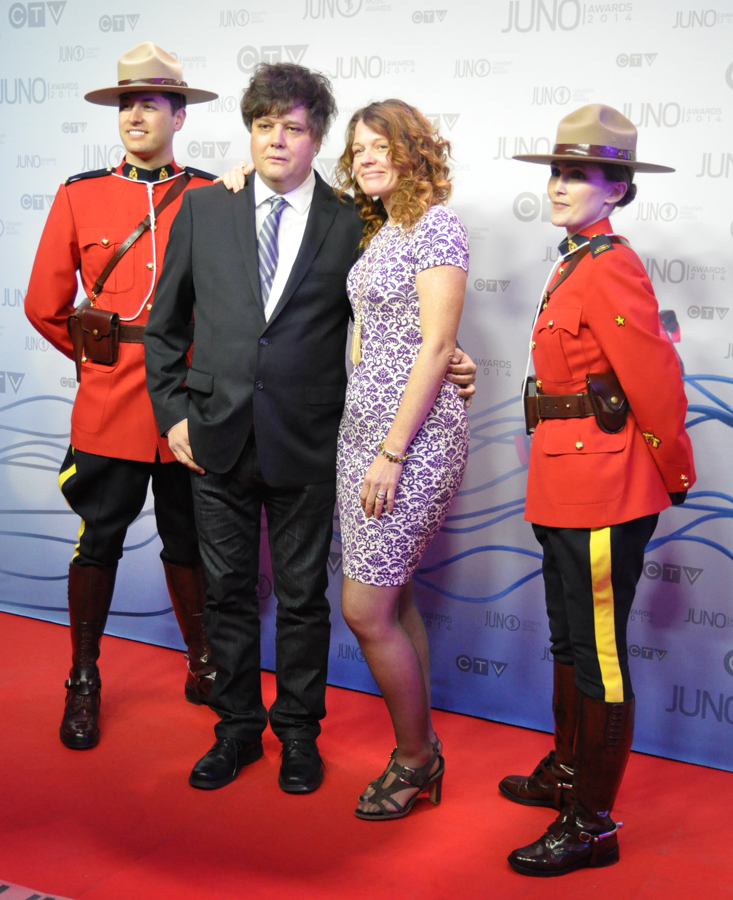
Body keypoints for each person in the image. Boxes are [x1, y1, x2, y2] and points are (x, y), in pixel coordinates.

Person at [144, 64, 476, 795]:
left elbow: (405, 310)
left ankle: (298, 735)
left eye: (294, 127)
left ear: (316, 137)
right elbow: (163, 330)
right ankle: (234, 729)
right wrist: (173, 416)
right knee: (226, 594)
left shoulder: (352, 220)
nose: (277, 140)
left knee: (301, 600)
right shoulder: (204, 208)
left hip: (312, 442)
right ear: (249, 131)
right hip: (214, 438)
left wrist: (453, 356)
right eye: (264, 125)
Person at [500, 105, 695, 875]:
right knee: (567, 640)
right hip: (563, 477)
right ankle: (570, 772)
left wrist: (671, 470)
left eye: (577, 173)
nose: (558, 184)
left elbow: (653, 382)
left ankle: (592, 825)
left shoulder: (610, 263)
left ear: (615, 188)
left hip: (606, 488)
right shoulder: (572, 259)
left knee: (600, 659)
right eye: (555, 170)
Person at [24, 42, 220, 750]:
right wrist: (99, 366)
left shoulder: (209, 195)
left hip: (188, 407)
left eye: (149, 103)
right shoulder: (81, 194)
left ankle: (203, 665)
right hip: (109, 402)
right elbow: (43, 305)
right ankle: (83, 679)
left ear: (177, 113)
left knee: (189, 540)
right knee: (98, 541)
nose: (135, 115)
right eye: (125, 104)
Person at [331, 100, 469, 819]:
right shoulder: (379, 227)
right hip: (360, 436)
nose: (367, 159)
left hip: (407, 442)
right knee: (395, 595)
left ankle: (415, 759)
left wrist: (390, 451)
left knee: (365, 607)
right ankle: (423, 751)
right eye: (357, 150)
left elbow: (437, 346)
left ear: (413, 150)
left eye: (380, 146)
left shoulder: (434, 225)